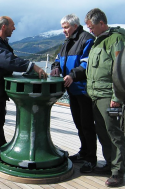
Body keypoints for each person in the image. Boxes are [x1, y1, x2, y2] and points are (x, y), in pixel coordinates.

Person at [0, 16, 47, 173]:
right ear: (4, 26)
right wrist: (32, 66)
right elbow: (8, 61)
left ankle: (0, 149)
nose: (14, 28)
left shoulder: (2, 43)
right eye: (12, 26)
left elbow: (10, 59)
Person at [50, 14, 97, 173]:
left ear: (75, 26)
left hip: (84, 90)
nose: (64, 30)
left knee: (87, 125)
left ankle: (91, 159)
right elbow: (58, 59)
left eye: (66, 27)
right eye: (62, 27)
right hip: (72, 91)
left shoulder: (87, 39)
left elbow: (87, 63)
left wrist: (72, 75)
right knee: (79, 124)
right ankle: (83, 152)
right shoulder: (67, 42)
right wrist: (55, 67)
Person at [84, 8, 125, 187]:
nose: (90, 30)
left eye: (91, 26)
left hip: (109, 96)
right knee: (102, 133)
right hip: (96, 96)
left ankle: (119, 172)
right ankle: (109, 164)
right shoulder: (96, 41)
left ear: (102, 23)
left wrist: (117, 96)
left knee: (114, 134)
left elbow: (120, 70)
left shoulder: (116, 40)